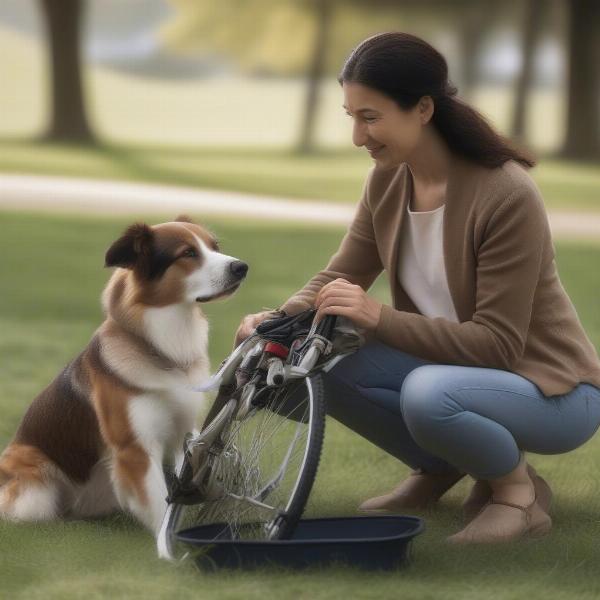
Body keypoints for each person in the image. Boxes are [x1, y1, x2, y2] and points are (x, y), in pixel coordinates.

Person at [233, 31, 600, 544]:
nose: (359, 137)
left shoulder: (506, 194)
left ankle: (518, 495)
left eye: (370, 117)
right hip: (458, 375)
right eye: (352, 117)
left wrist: (377, 317)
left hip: (551, 392)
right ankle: (441, 468)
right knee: (295, 348)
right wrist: (279, 319)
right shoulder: (387, 179)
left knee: (430, 394)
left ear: (423, 109)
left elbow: (497, 346)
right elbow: (341, 274)